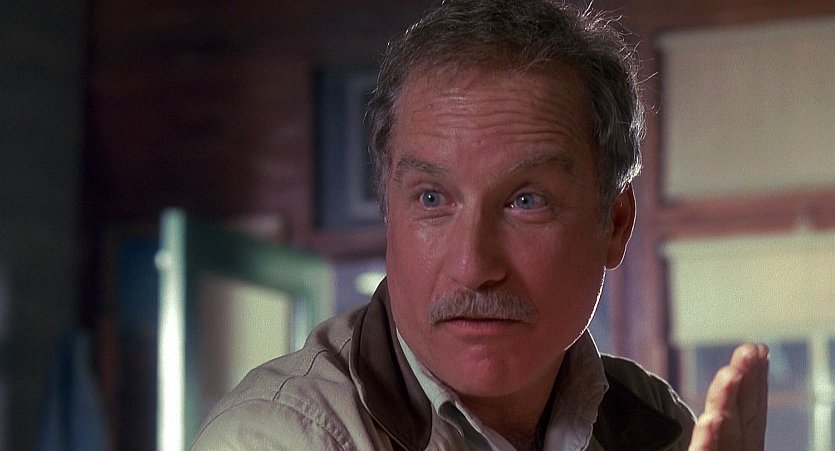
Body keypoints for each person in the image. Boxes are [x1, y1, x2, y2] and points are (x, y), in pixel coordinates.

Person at [191, 0, 769, 449]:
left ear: (615, 224)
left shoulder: (648, 420)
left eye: (526, 201)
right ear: (390, 214)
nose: (473, 267)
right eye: (432, 198)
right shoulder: (281, 436)